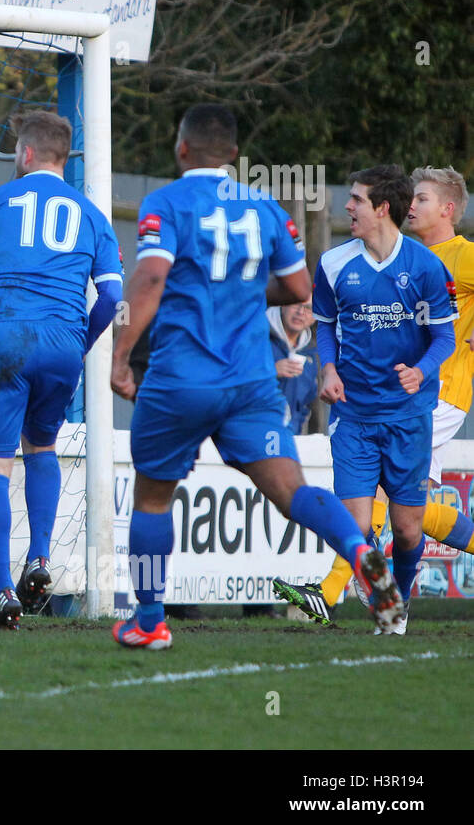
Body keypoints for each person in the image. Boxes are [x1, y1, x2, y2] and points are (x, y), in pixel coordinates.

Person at [110, 105, 402, 649]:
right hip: (249, 382)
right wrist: (240, 289)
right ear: (234, 155)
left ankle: (149, 620)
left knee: (152, 499)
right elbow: (299, 288)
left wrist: (120, 354)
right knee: (293, 490)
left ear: (181, 149)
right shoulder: (265, 207)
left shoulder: (165, 202)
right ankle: (361, 552)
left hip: (181, 378)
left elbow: (150, 278)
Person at [276, 166, 474, 627]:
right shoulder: (355, 260)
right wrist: (330, 367)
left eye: (422, 199)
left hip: (437, 395)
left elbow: (443, 334)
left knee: (388, 504)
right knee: (409, 516)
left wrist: (425, 367)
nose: (413, 206)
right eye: (412, 197)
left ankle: (332, 592)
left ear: (447, 209)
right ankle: (372, 601)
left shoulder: (458, 256)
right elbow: (328, 322)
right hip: (370, 404)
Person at [0, 109, 123, 629]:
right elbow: (111, 295)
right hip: (63, 344)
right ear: (62, 157)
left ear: (25, 153)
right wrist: (79, 343)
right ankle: (41, 556)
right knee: (42, 446)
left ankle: (5, 590)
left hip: (4, 335)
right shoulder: (91, 213)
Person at [267, 299, 317, 433]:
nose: (301, 312)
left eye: (308, 308)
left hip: (289, 437)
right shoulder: (255, 335)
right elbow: (231, 381)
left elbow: (306, 405)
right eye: (295, 304)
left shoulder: (311, 353)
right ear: (283, 304)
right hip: (254, 434)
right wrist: (270, 371)